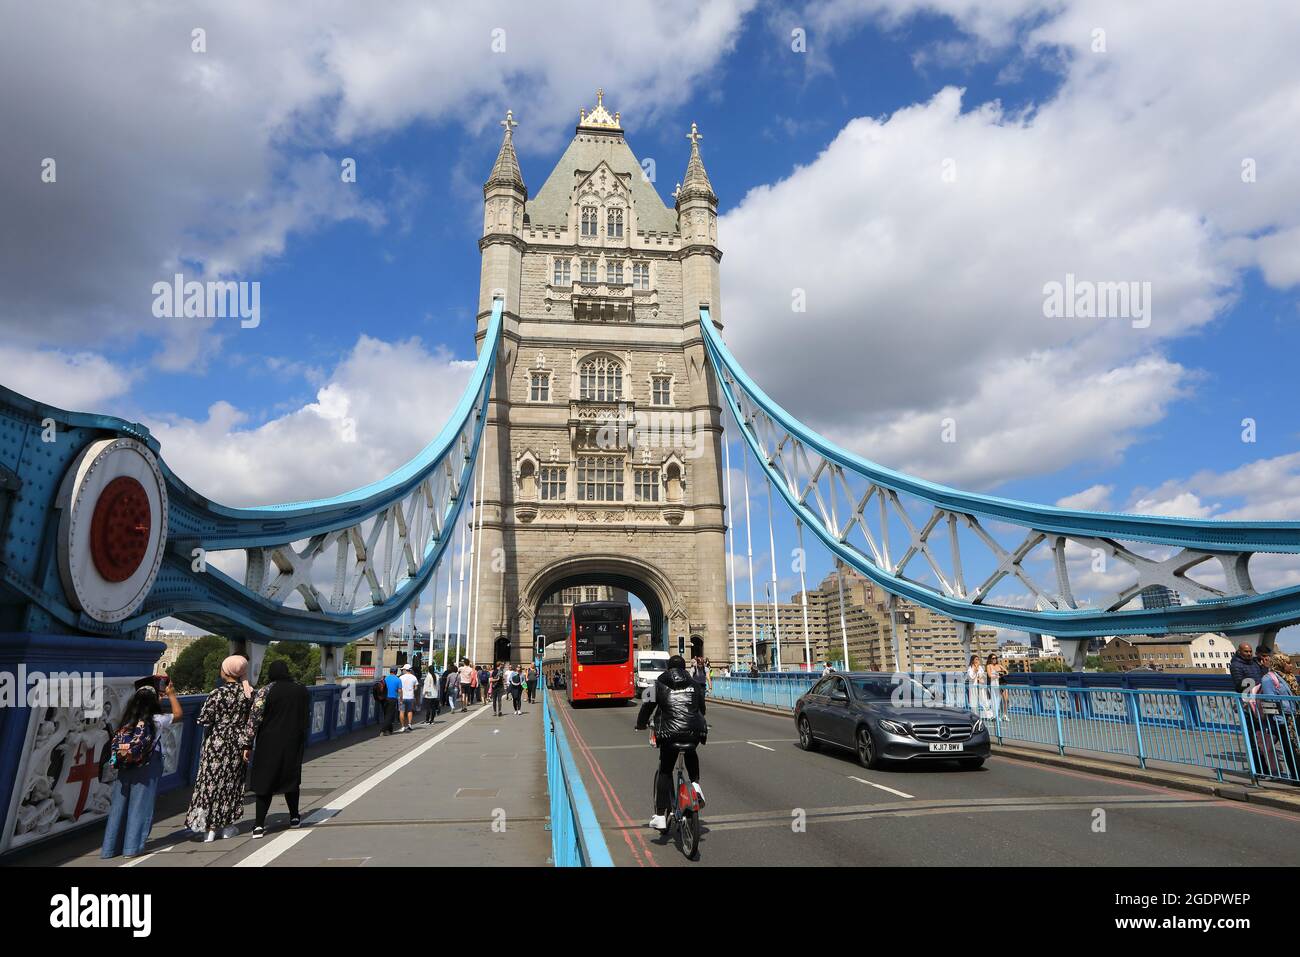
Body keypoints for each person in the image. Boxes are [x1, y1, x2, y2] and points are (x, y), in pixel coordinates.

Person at [101, 677, 182, 859]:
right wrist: (171, 694)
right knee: (140, 806)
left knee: (119, 806)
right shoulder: (156, 719)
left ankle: (110, 848)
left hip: (124, 764)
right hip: (146, 764)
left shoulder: (126, 720)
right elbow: (178, 714)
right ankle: (132, 847)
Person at [635, 654, 707, 832]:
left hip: (669, 734)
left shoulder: (657, 684)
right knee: (691, 750)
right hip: (694, 732)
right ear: (684, 668)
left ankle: (660, 816)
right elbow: (702, 709)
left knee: (665, 772)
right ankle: (696, 786)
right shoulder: (695, 684)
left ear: (668, 668)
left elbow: (646, 706)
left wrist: (641, 724)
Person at [186, 655, 254, 842]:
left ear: (226, 671)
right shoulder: (248, 693)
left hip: (216, 745)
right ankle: (227, 825)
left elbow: (203, 719)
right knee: (231, 785)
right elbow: (252, 721)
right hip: (237, 745)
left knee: (210, 784)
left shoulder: (217, 694)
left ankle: (208, 827)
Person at [244, 659, 310, 838]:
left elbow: (254, 718)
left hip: (268, 742)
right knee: (291, 779)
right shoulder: (301, 689)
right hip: (293, 741)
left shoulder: (266, 691)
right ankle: (295, 817)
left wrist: (247, 744)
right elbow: (306, 717)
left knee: (264, 782)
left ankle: (258, 825)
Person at [986, 652, 1009, 718]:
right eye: (993, 658)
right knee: (996, 699)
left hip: (1002, 682)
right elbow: (990, 675)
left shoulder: (999, 665)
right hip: (995, 683)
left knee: (1006, 699)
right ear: (990, 659)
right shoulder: (989, 666)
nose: (994, 659)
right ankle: (995, 714)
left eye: (996, 658)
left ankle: (1005, 714)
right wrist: (997, 675)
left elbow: (1006, 672)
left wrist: (1001, 673)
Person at [398, 663, 419, 732]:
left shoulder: (401, 677)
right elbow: (416, 688)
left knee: (402, 711)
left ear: (405, 670)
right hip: (410, 697)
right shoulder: (414, 677)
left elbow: (399, 688)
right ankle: (409, 724)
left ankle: (402, 726)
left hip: (402, 697)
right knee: (409, 711)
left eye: (403, 669)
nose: (402, 671)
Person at [382, 666, 402, 734]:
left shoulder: (386, 678)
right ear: (396, 672)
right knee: (390, 715)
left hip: (385, 698)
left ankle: (390, 730)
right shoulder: (398, 680)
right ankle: (383, 729)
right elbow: (399, 691)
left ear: (390, 671)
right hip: (393, 698)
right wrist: (401, 699)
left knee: (386, 714)